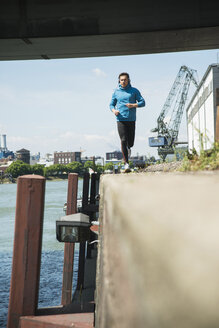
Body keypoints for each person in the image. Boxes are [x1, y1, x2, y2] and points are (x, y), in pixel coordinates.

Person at [109, 72, 145, 170]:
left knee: (130, 142)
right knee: (123, 140)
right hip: (120, 119)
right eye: (121, 80)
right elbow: (111, 105)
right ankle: (126, 163)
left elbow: (143, 102)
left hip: (131, 119)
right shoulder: (116, 92)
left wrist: (133, 105)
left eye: (125, 79)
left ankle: (129, 148)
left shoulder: (134, 91)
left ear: (128, 80)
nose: (123, 81)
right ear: (119, 81)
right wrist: (114, 110)